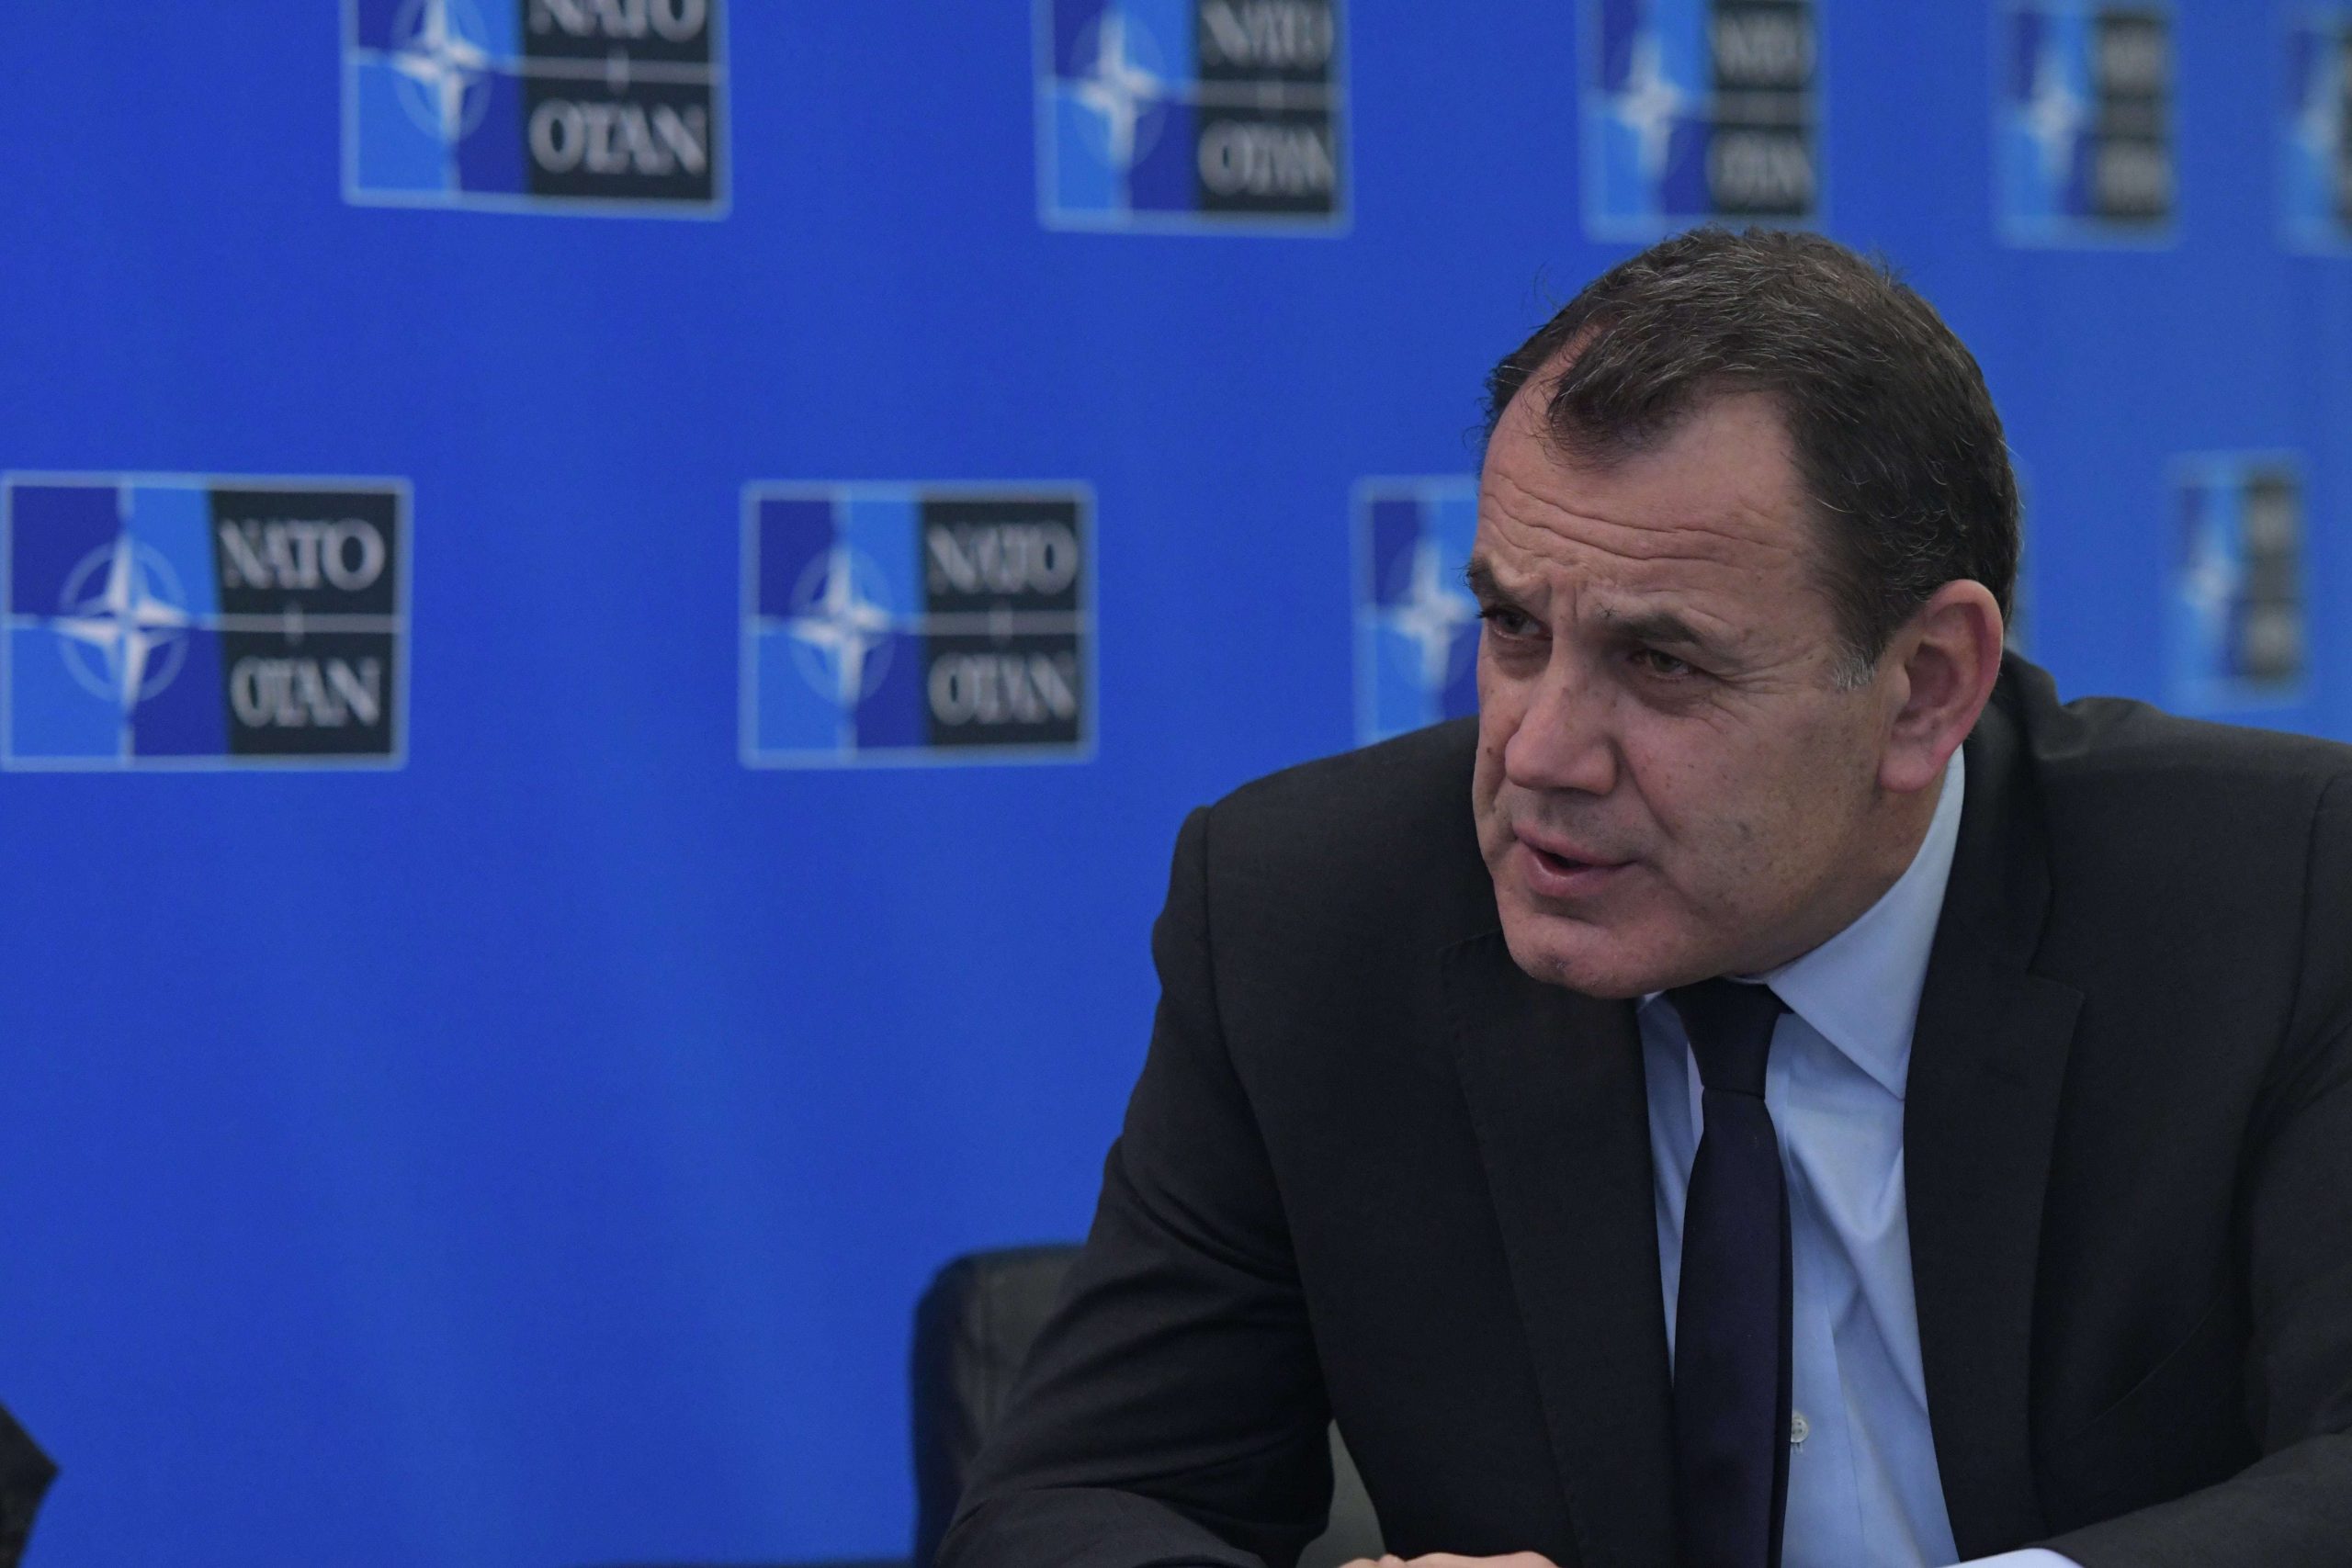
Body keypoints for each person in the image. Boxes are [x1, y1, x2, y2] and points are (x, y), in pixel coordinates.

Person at [936, 230, 2352, 1568]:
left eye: (1662, 664)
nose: (1539, 754)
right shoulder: (1309, 917)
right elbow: (1073, 1504)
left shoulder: (2285, 897)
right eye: (1513, 627)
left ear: (1926, 688)